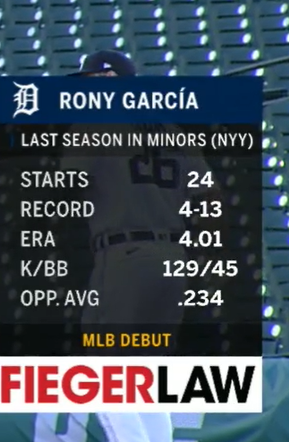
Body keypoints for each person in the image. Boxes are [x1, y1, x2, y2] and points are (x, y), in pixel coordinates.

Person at [58, 50, 215, 442]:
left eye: (92, 80)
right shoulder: (170, 128)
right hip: (172, 258)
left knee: (107, 373)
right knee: (147, 375)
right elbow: (208, 196)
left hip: (124, 255)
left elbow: (65, 187)